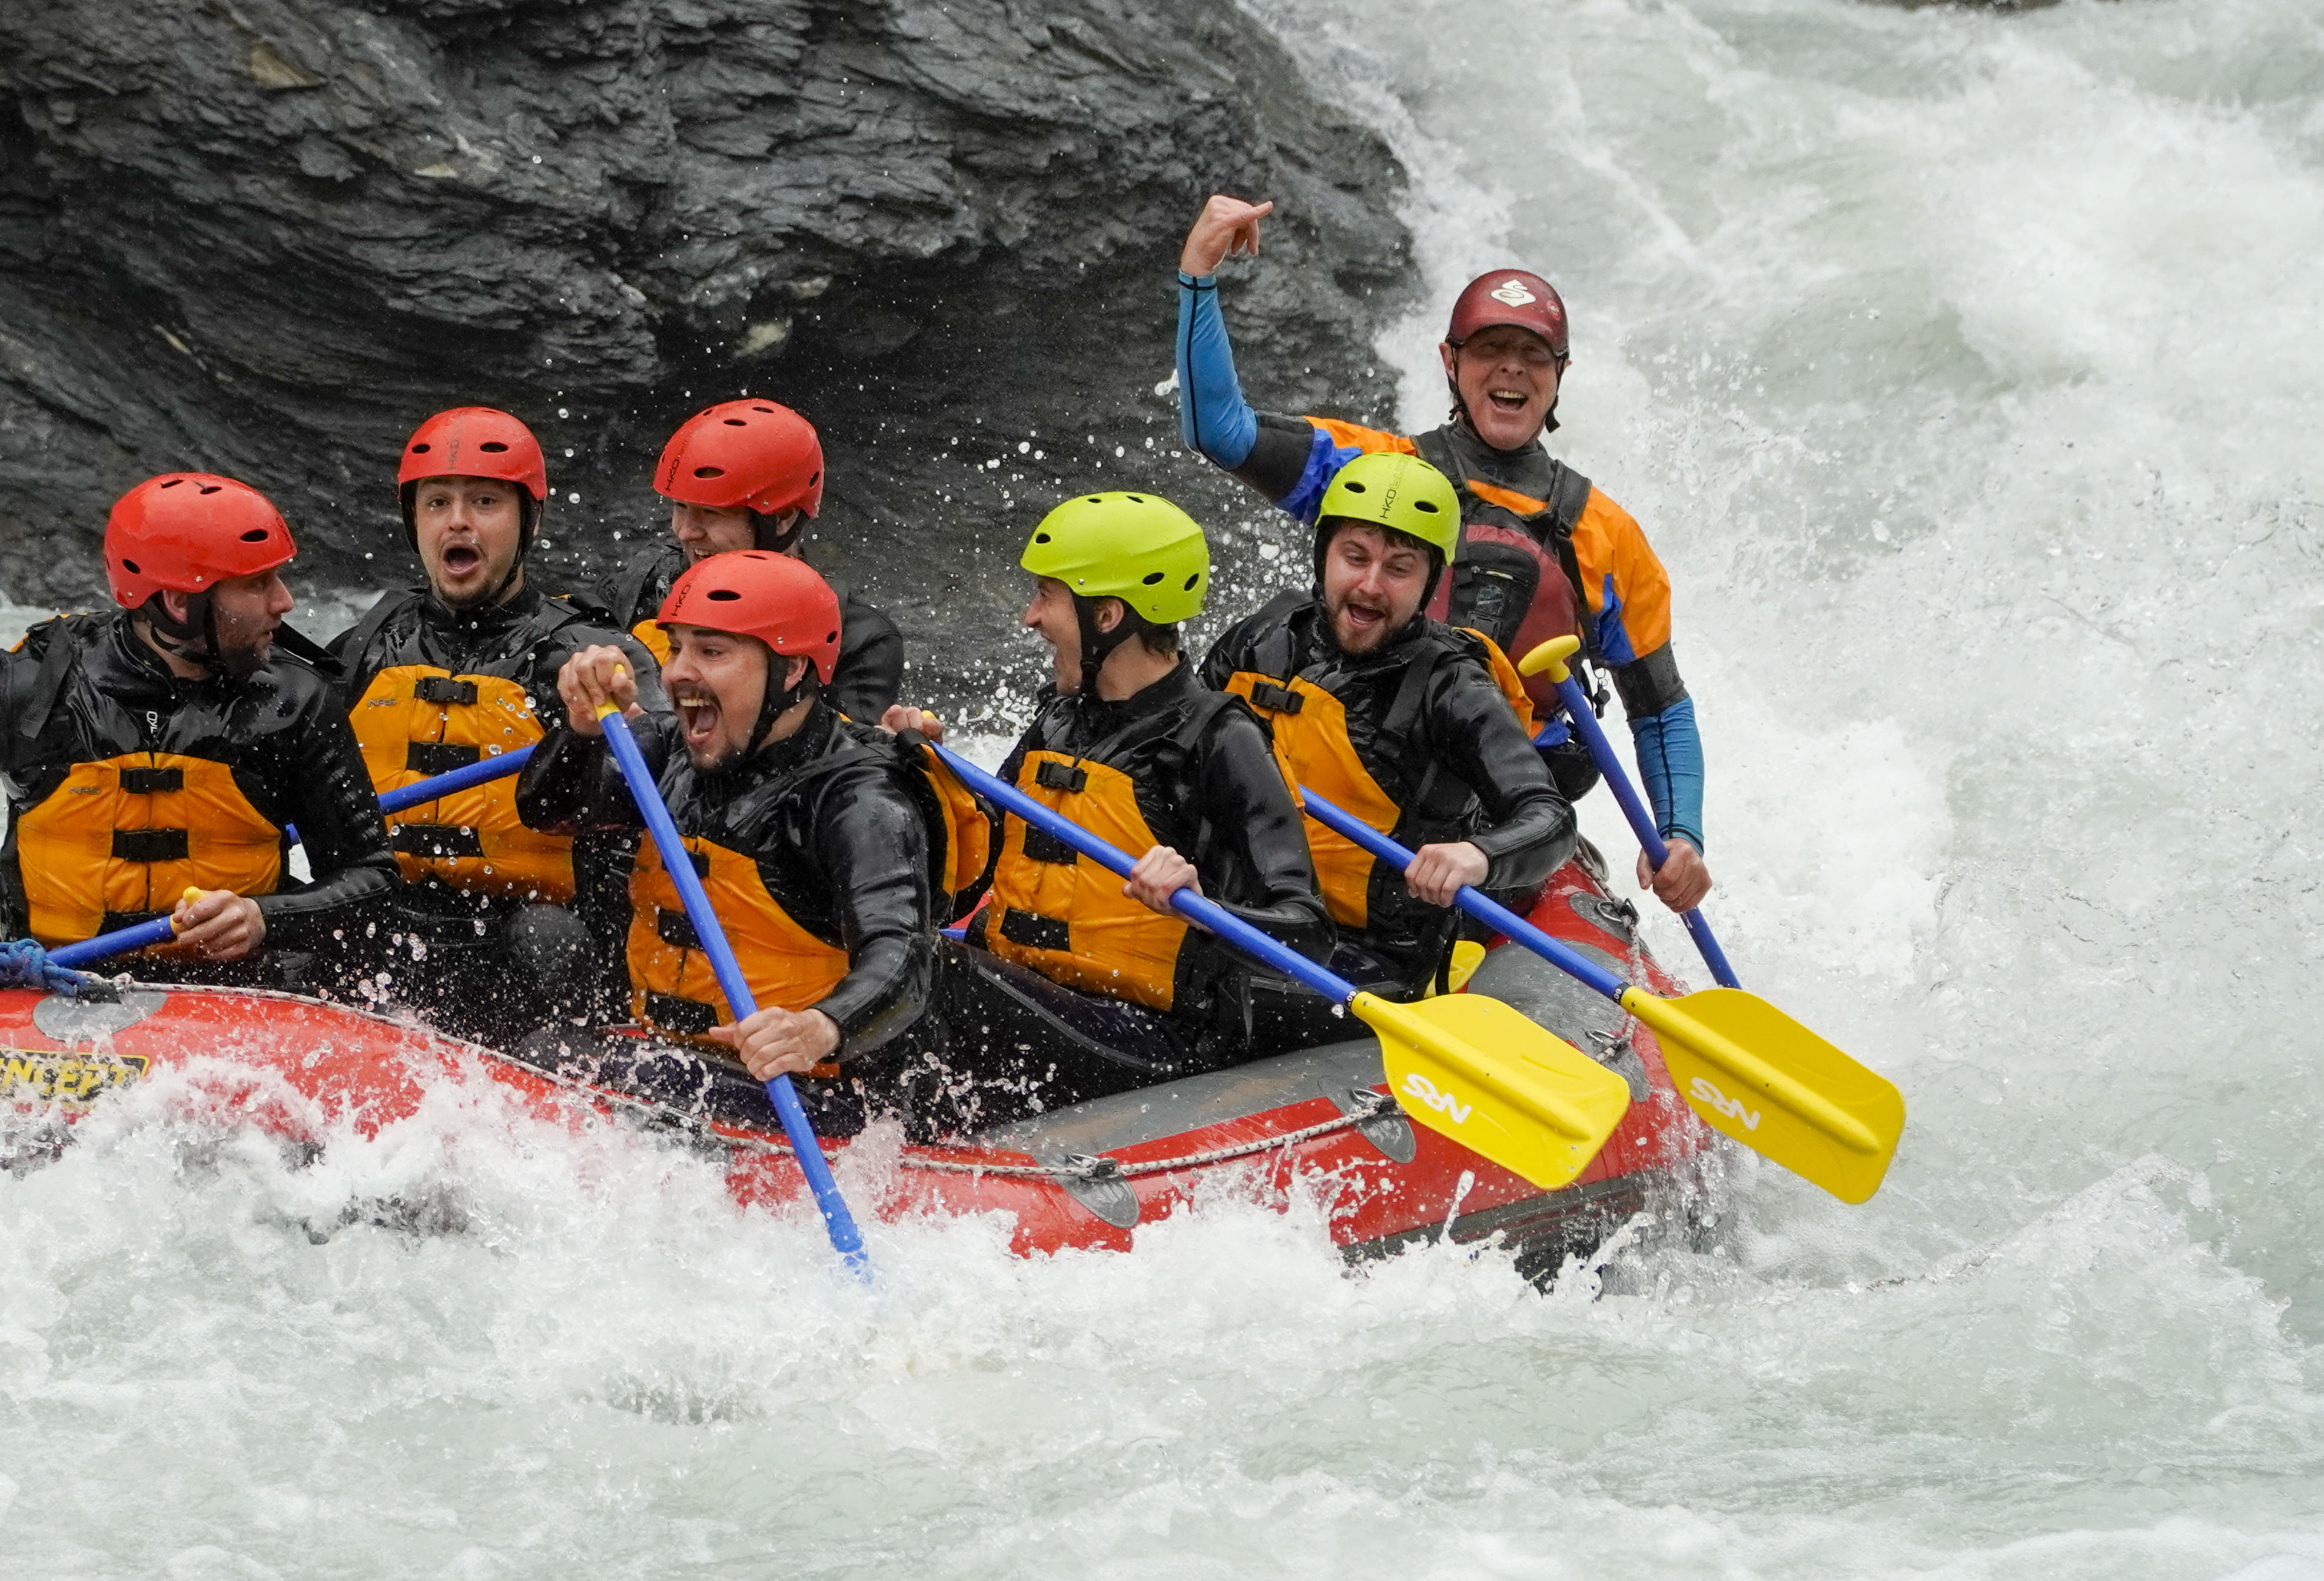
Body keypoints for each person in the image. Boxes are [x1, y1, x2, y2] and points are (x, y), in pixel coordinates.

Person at [1170, 195, 1714, 915]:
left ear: (1560, 373)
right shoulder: (1376, 476)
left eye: (1531, 356)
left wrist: (1680, 837)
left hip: (1501, 812)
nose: (1510, 371)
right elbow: (1221, 431)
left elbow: (1658, 707)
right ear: (1450, 362)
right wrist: (1198, 276)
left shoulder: (1605, 534)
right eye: (1490, 350)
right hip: (1354, 775)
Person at [0, 473, 396, 1049]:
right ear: (178, 603)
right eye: (256, 584)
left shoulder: (293, 702)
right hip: (48, 990)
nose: (283, 602)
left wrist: (265, 916)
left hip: (232, 998)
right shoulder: (33, 690)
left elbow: (370, 878)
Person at [890, 490, 1332, 1118]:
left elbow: (1307, 931)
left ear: (1107, 616)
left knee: (938, 974)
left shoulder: (1218, 738)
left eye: (1047, 596)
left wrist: (1207, 909)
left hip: (1152, 1037)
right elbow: (968, 880)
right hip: (1043, 996)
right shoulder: (1059, 719)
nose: (1029, 617)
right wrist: (921, 782)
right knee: (890, 944)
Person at [514, 549, 945, 1135]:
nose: (676, 673)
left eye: (711, 651)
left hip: (823, 1094)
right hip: (685, 1060)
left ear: (791, 670)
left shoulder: (859, 799)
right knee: (539, 993)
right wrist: (580, 730)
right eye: (675, 648)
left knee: (594, 1068)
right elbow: (549, 812)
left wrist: (817, 1028)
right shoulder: (671, 747)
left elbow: (902, 957)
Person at [1200, 451, 1576, 1031]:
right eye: (1354, 557)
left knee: (1204, 980)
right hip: (1238, 908)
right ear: (1323, 554)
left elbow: (1548, 817)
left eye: (1398, 568)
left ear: (1428, 583)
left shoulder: (1451, 686)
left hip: (1364, 954)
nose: (1370, 585)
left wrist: (1477, 856)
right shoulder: (1260, 640)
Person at [323, 407, 663, 1047]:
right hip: (392, 923)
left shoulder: (591, 658)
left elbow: (666, 772)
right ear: (413, 520)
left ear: (527, 520)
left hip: (527, 939)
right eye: (436, 503)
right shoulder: (367, 647)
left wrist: (602, 726)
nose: (458, 521)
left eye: (484, 501)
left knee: (545, 938)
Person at [610, 398, 907, 721]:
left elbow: (852, 754)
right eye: (680, 507)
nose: (685, 532)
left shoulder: (861, 639)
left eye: (711, 513)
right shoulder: (644, 584)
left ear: (782, 518)